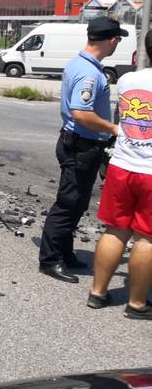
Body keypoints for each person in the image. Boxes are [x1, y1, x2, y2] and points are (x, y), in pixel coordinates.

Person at [38, 16, 127, 283]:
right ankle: (50, 260)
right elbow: (80, 112)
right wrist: (112, 128)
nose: (117, 44)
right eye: (117, 40)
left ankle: (65, 252)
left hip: (79, 143)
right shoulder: (90, 72)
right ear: (111, 41)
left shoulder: (80, 63)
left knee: (77, 202)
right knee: (68, 204)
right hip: (81, 144)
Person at [88, 29, 152, 319]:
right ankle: (137, 303)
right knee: (146, 238)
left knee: (114, 230)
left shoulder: (127, 80)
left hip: (123, 165)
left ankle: (98, 292)